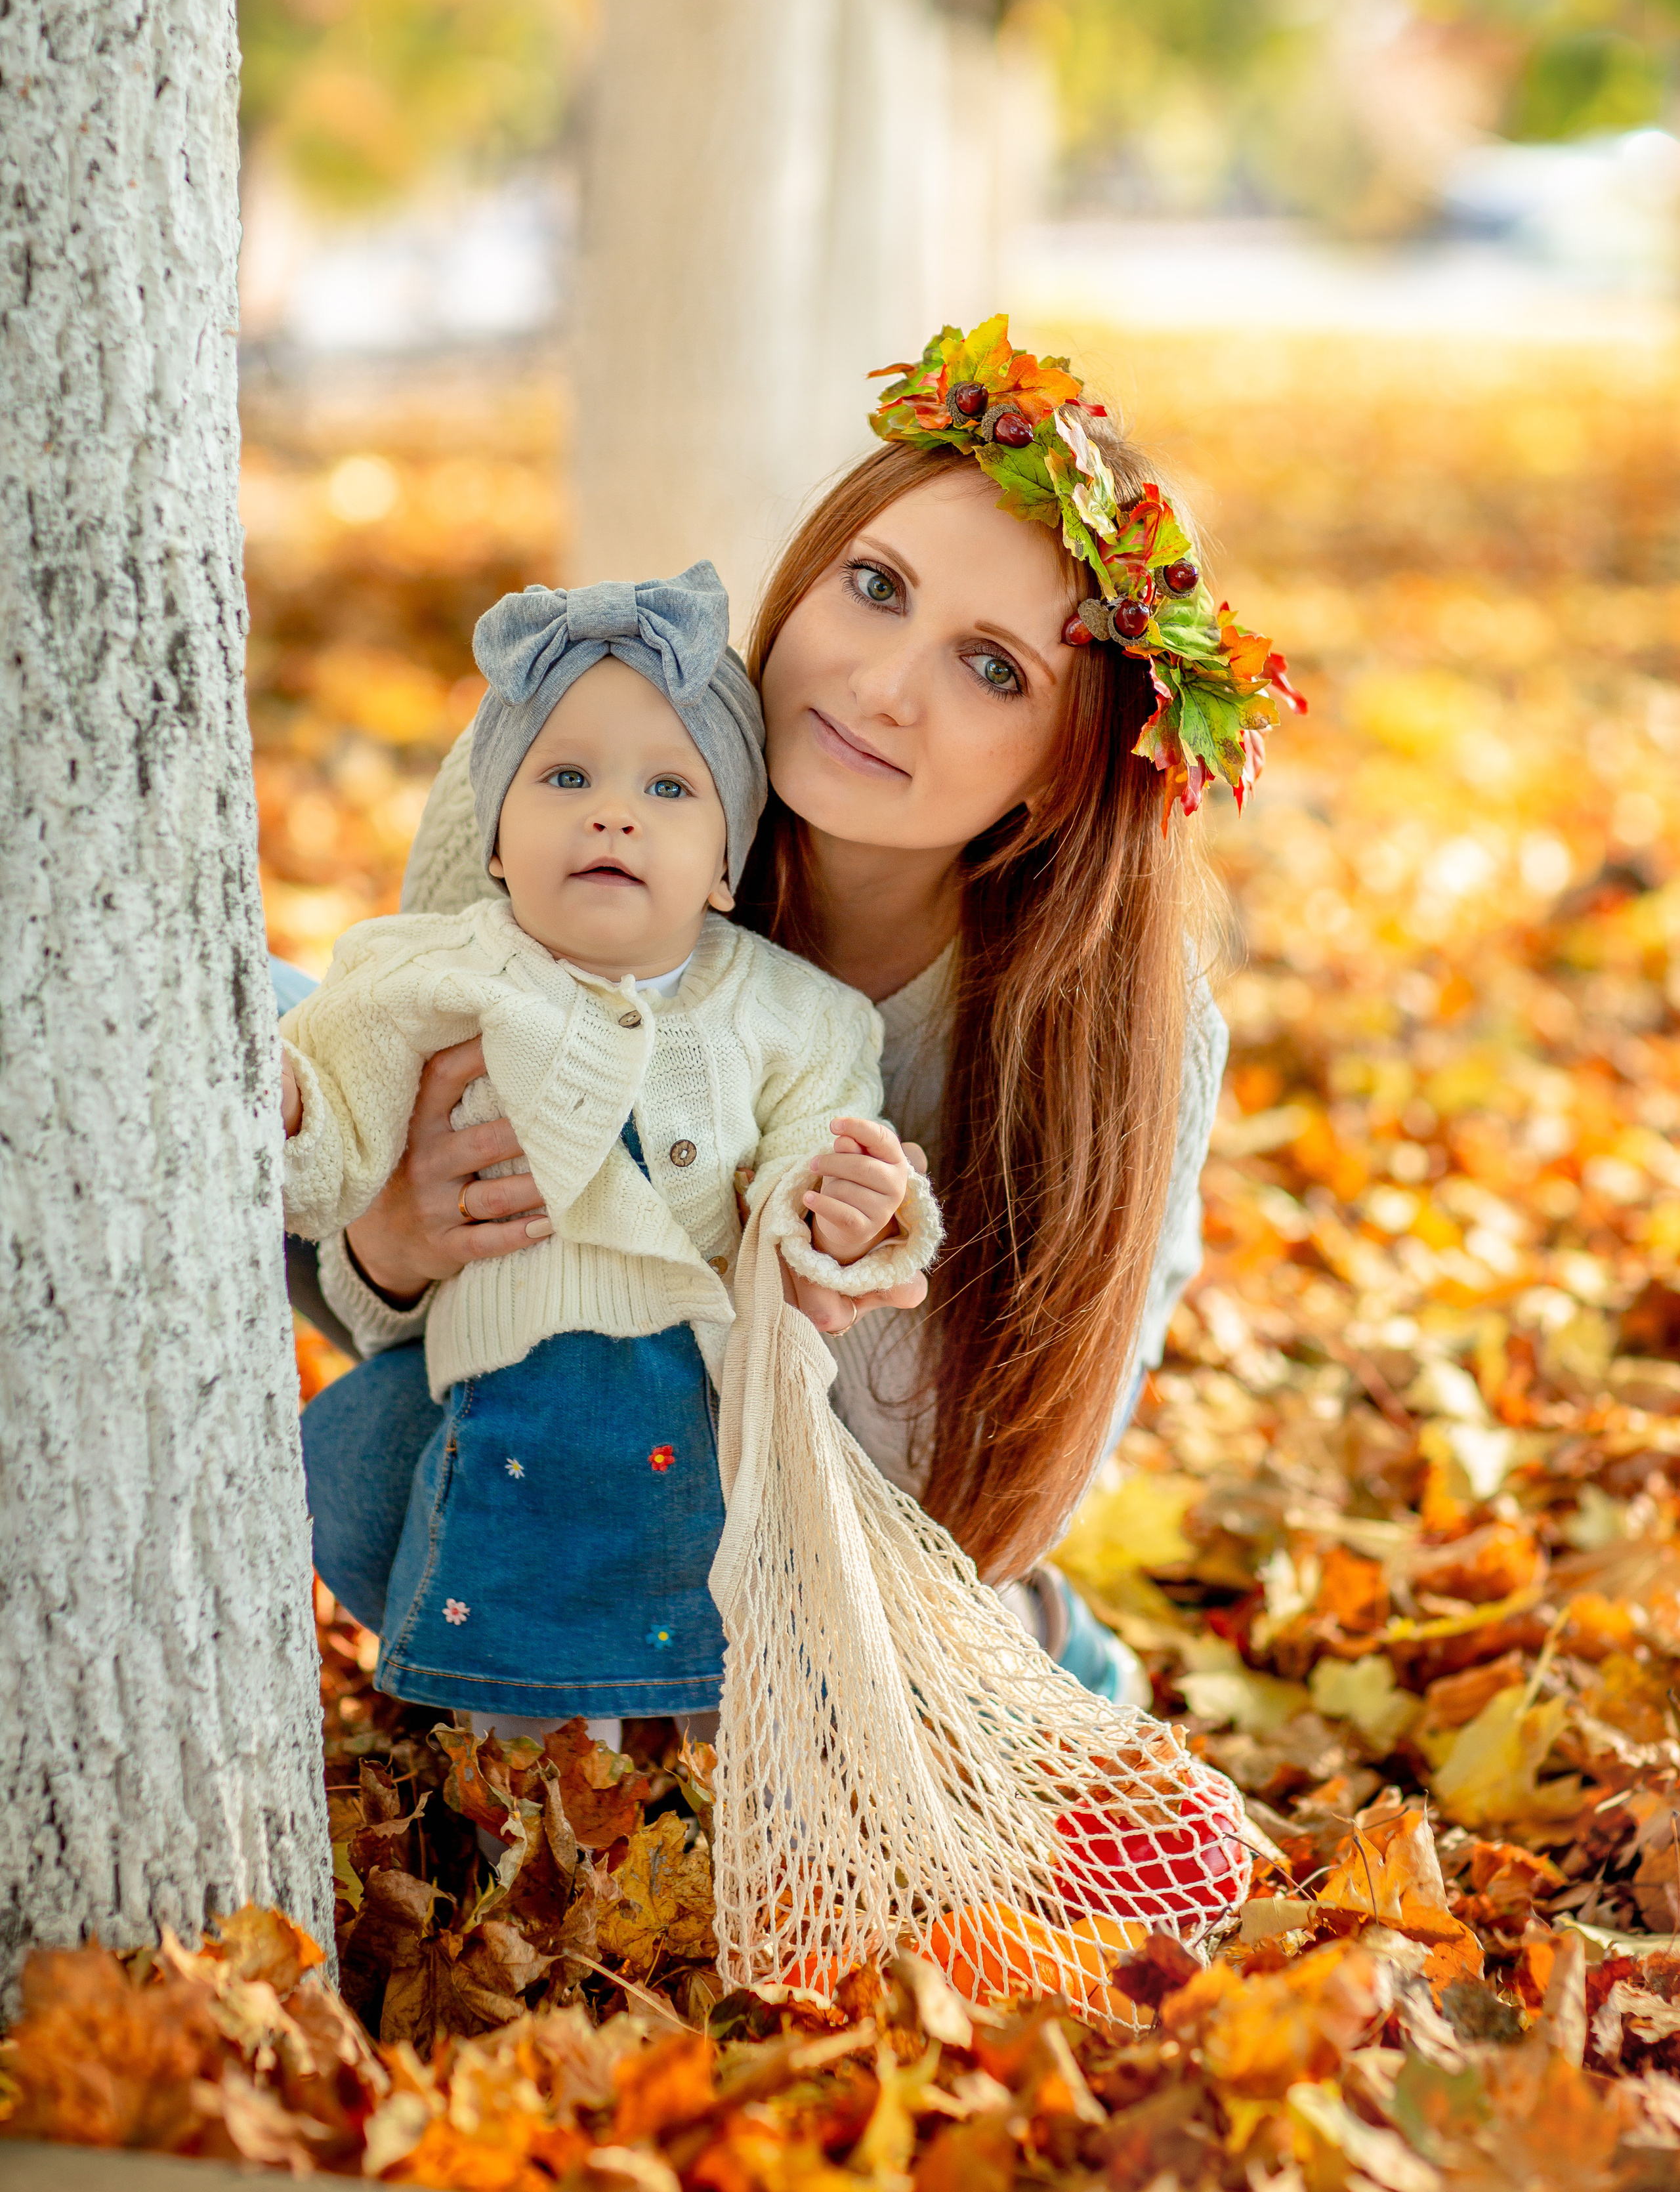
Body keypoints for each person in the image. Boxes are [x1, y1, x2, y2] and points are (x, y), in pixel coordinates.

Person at [293, 316, 1301, 1710]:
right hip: (550, 1373)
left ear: (1064, 776)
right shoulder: (568, 762)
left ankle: (1025, 1668)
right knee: (296, 1102)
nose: (881, 687)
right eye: (873, 587)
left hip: (856, 1489)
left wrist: (836, 1303)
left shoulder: (1123, 1028)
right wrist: (388, 1241)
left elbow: (1023, 1445)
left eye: (992, 667)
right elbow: (434, 1253)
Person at [280, 562, 938, 1741]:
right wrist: (286, 1108)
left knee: (713, 1665)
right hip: (507, 1406)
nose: (612, 812)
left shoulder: (798, 1015)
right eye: (566, 776)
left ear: (729, 866)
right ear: (493, 840)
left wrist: (847, 1215)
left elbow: (812, 1165)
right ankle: (506, 1816)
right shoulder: (424, 978)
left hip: (708, 1417)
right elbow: (336, 1149)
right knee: (508, 1659)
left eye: (671, 788)